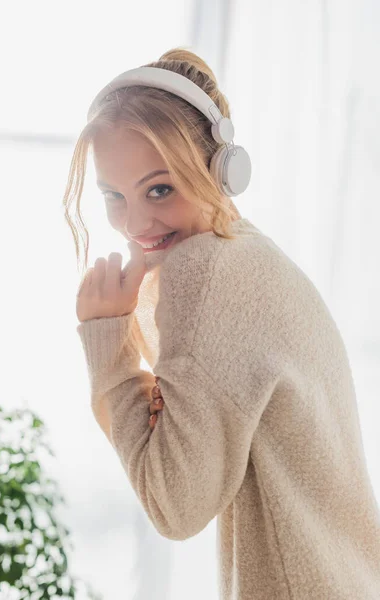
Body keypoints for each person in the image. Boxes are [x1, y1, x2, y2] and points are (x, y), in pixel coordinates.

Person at [62, 48, 380, 599]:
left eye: (159, 188)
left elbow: (174, 506)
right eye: (114, 196)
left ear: (219, 170)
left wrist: (106, 340)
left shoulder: (205, 272)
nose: (134, 223)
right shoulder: (251, 255)